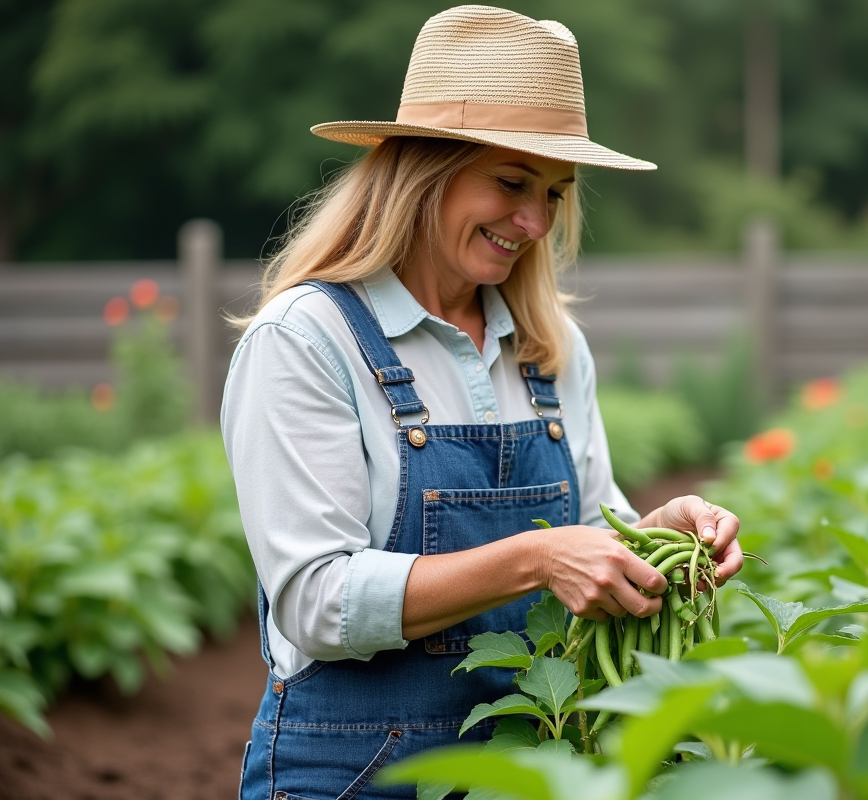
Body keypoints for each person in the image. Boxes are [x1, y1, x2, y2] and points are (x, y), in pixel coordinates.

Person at [221, 6, 743, 799]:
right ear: (423, 169)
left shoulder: (549, 347)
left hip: (535, 763)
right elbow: (317, 604)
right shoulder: (306, 341)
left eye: (555, 194)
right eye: (510, 182)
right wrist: (535, 558)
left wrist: (653, 538)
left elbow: (589, 548)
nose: (534, 222)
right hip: (359, 775)